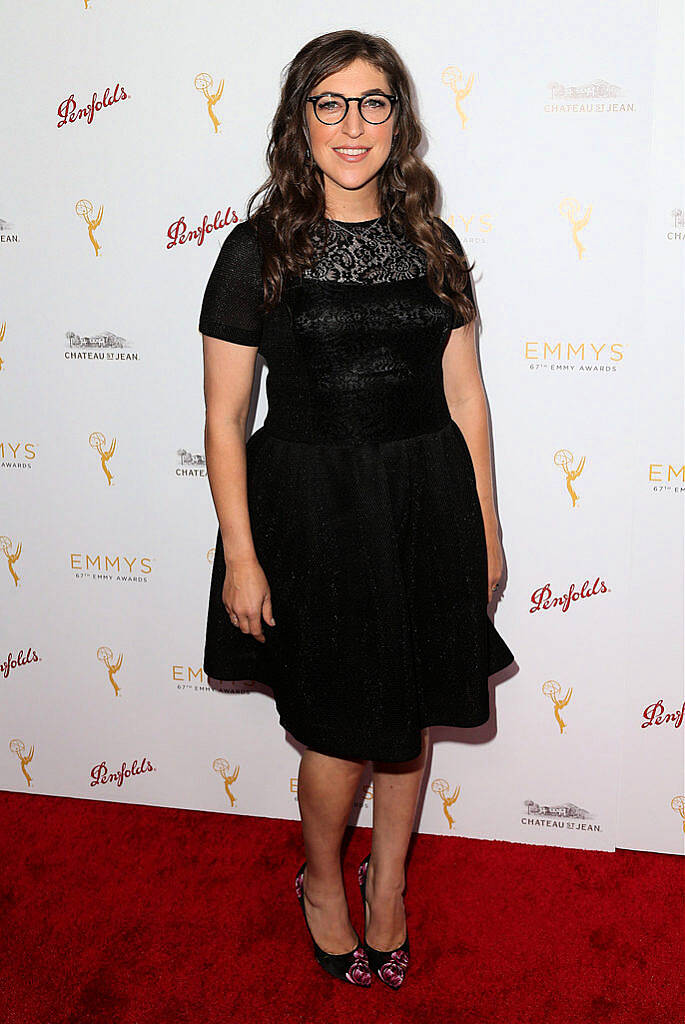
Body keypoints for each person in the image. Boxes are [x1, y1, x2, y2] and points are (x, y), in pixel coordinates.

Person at [198, 29, 515, 990]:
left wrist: (488, 524)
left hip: (425, 502)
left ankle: (390, 888)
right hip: (312, 512)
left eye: (372, 101)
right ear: (299, 121)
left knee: (408, 716)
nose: (352, 123)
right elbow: (222, 420)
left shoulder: (433, 241)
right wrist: (242, 558)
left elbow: (466, 395)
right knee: (338, 726)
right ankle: (325, 884)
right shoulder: (256, 248)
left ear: (398, 120)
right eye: (328, 103)